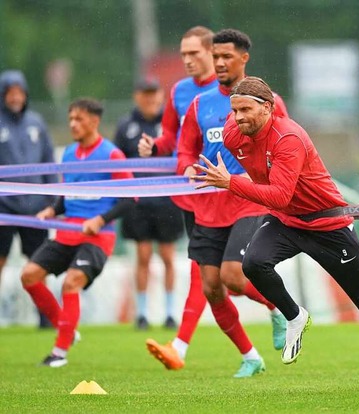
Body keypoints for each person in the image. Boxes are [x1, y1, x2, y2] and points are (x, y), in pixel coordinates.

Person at [191, 76, 359, 391]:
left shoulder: (289, 138)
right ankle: (294, 315)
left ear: (268, 108)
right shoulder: (233, 134)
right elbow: (281, 203)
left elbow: (281, 194)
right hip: (287, 222)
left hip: (328, 225)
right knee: (253, 264)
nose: (238, 117)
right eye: (235, 110)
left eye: (245, 109)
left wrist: (231, 182)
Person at [146, 29, 288, 378]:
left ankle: (281, 309)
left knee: (233, 277)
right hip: (208, 206)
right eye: (218, 56)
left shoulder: (270, 101)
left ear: (244, 59)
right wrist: (187, 166)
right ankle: (251, 356)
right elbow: (184, 148)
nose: (221, 62)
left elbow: (289, 143)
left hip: (249, 201)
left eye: (228, 56)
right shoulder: (199, 102)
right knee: (211, 287)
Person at [21, 98, 135, 367]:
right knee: (28, 276)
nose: (73, 124)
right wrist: (52, 210)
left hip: (98, 237)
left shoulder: (111, 155)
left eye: (79, 119)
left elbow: (130, 198)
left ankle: (59, 353)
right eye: (71, 118)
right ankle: (67, 328)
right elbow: (67, 194)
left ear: (94, 122)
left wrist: (100, 219)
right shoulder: (69, 154)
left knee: (70, 282)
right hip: (66, 231)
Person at [138, 26, 218, 369]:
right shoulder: (179, 92)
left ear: (212, 53)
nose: (187, 60)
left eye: (194, 53)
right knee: (206, 274)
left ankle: (282, 310)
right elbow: (171, 136)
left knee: (233, 279)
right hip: (193, 195)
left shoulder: (232, 90)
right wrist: (155, 146)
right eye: (183, 54)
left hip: (234, 196)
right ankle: (181, 347)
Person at [114, 78, 184, 330]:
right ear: (137, 97)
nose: (150, 100)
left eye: (154, 95)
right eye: (145, 95)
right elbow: (117, 163)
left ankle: (169, 312)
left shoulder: (171, 124)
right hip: (139, 202)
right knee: (142, 256)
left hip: (167, 200)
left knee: (167, 256)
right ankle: (142, 313)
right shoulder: (126, 126)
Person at [0, 70, 57, 329]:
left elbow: (48, 162)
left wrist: (52, 199)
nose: (15, 97)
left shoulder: (36, 122)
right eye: (10, 93)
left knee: (37, 262)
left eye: (19, 92)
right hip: (3, 206)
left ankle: (44, 317)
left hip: (34, 206)